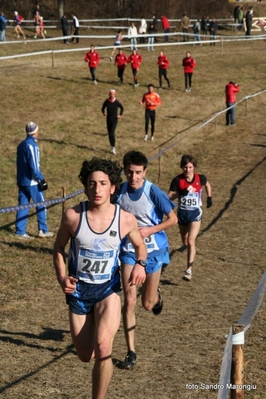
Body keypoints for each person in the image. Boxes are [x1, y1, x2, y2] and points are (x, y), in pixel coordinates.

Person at [53, 157, 147, 398]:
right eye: (92, 183)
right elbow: (58, 248)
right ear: (85, 186)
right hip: (79, 292)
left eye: (103, 183)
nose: (97, 189)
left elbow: (140, 246)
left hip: (107, 290)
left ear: (113, 188)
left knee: (104, 347)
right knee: (86, 355)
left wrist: (140, 265)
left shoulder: (124, 219)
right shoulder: (73, 216)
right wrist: (63, 278)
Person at [115, 150, 177, 369]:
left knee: (147, 304)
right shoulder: (119, 192)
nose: (134, 177)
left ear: (145, 172)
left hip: (154, 250)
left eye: (138, 173)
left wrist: (151, 229)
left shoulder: (153, 192)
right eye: (130, 172)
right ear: (124, 171)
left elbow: (173, 219)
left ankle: (156, 295)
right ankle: (131, 352)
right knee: (129, 300)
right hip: (129, 252)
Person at [168, 154, 212, 281]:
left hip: (195, 214)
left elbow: (207, 185)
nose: (187, 170)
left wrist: (209, 197)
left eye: (190, 167)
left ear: (194, 167)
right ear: (182, 167)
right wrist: (180, 193)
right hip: (182, 214)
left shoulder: (200, 178)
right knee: (186, 242)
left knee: (192, 241)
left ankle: (189, 270)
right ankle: (190, 257)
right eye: (185, 167)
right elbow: (169, 196)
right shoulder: (177, 180)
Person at [15, 122, 54, 240]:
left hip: (22, 181)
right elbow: (34, 166)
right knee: (41, 204)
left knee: (23, 205)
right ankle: (43, 230)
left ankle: (20, 231)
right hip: (32, 182)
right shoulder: (32, 145)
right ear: (35, 132)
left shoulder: (21, 145)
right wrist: (41, 179)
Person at [101, 89, 124, 155]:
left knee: (112, 133)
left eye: (113, 94)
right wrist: (104, 112)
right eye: (111, 94)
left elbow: (122, 108)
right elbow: (102, 108)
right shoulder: (107, 101)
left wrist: (120, 115)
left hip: (114, 119)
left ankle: (113, 147)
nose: (112, 95)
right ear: (109, 95)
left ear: (115, 95)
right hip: (108, 119)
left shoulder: (116, 102)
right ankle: (111, 146)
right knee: (109, 134)